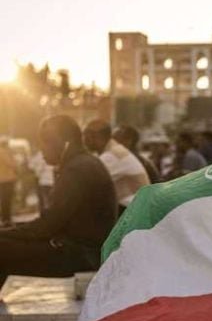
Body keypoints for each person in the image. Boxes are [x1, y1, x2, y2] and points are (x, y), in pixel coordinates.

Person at [0, 115, 117, 291]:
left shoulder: (76, 169)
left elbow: (46, 227)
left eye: (46, 142)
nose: (42, 148)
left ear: (64, 142)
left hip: (82, 254)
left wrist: (6, 232)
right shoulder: (83, 163)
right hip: (85, 249)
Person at [83, 120, 150, 212]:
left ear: (98, 137)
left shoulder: (112, 156)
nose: (84, 141)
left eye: (87, 137)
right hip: (134, 207)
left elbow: (86, 182)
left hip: (135, 210)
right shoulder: (112, 150)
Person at [0, 138, 17, 227]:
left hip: (3, 179)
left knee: (4, 200)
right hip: (7, 179)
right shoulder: (3, 152)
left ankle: (5, 219)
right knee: (6, 200)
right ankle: (6, 219)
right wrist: (13, 158)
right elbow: (12, 164)